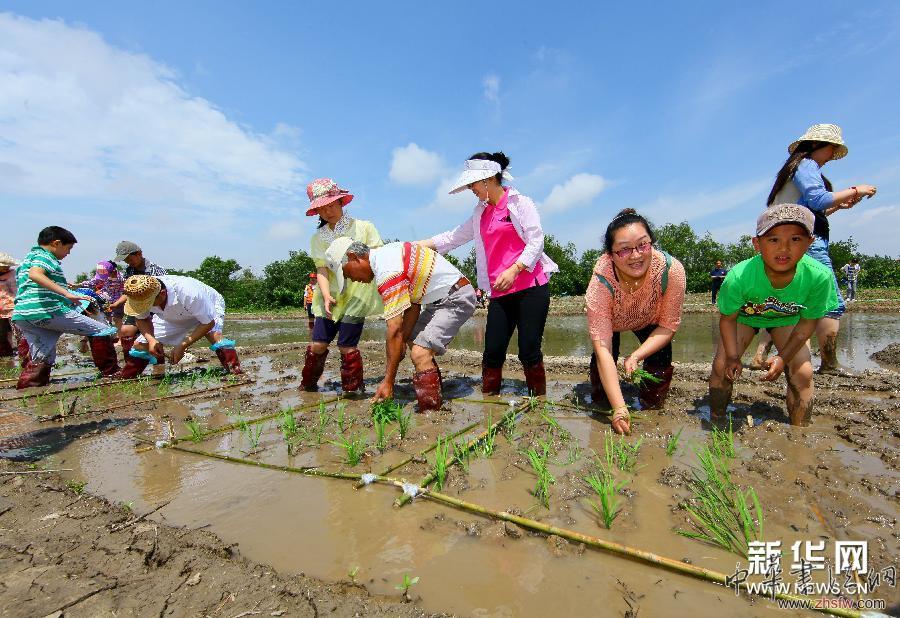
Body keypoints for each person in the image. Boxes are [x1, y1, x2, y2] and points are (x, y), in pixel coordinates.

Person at [417, 152, 557, 396]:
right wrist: (413, 246)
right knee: (492, 352)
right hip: (500, 292)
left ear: (488, 179)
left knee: (529, 350)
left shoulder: (520, 203)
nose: (471, 189)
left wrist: (514, 269)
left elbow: (537, 241)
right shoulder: (479, 213)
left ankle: (539, 402)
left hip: (531, 288)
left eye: (472, 183)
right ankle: (490, 401)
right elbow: (452, 238)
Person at [755, 124, 877, 375]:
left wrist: (838, 205)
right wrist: (857, 190)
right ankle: (829, 363)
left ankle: (760, 357)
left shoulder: (792, 170)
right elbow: (817, 199)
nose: (833, 154)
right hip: (806, 242)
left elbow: (808, 212)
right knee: (829, 300)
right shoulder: (807, 165)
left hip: (782, 240)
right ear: (815, 145)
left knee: (786, 300)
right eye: (832, 147)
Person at [709, 204, 839, 426]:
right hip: (744, 318)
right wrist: (732, 357)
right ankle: (716, 421)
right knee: (722, 367)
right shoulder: (739, 276)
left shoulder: (819, 277)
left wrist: (783, 358)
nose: (784, 248)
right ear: (757, 244)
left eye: (795, 239)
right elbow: (728, 320)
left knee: (803, 372)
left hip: (788, 320)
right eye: (773, 239)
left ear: (809, 242)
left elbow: (808, 323)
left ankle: (800, 431)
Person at [326, 237, 476, 411]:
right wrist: (403, 340)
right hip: (439, 300)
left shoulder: (387, 270)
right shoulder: (387, 255)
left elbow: (394, 329)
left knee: (420, 353)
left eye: (347, 274)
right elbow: (413, 306)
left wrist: (388, 381)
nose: (352, 279)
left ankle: (431, 412)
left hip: (455, 298)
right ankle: (435, 390)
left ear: (353, 257)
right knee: (412, 340)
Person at [585, 209, 686, 435]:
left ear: (652, 243)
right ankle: (603, 403)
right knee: (603, 363)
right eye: (624, 249)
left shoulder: (671, 271)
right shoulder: (600, 283)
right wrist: (620, 409)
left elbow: (668, 326)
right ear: (610, 255)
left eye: (642, 245)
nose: (636, 255)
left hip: (650, 318)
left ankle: (653, 406)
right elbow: (603, 349)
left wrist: (636, 356)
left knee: (660, 360)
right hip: (613, 321)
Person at [300, 178, 383, 393]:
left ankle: (352, 390)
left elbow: (376, 258)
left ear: (340, 202)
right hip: (329, 295)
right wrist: (326, 295)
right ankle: (307, 386)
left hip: (357, 294)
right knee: (318, 344)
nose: (327, 212)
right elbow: (322, 269)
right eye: (321, 209)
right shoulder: (318, 238)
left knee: (347, 345)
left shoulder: (364, 228)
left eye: (330, 205)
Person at [11, 226, 120, 388]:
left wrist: (64, 290)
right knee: (101, 329)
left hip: (23, 314)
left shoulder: (28, 258)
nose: (68, 253)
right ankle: (111, 372)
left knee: (43, 354)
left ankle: (30, 386)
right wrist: (67, 293)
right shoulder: (45, 256)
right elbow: (35, 274)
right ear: (56, 243)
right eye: (69, 248)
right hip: (47, 311)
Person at [115, 274, 243, 378]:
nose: (145, 307)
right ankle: (128, 378)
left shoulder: (190, 294)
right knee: (141, 344)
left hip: (206, 305)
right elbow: (142, 319)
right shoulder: (141, 293)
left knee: (214, 336)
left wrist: (182, 345)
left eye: (148, 304)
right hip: (171, 314)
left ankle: (235, 372)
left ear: (162, 293)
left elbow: (208, 323)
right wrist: (152, 340)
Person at [109, 241, 167, 358]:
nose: (128, 263)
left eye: (130, 259)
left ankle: (158, 362)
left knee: (155, 334)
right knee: (125, 331)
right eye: (126, 261)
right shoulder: (129, 271)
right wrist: (117, 303)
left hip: (155, 304)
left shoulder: (156, 270)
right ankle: (131, 360)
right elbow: (128, 292)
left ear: (139, 254)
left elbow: (164, 293)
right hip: (137, 305)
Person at [75, 260, 125, 330]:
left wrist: (117, 303)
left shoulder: (122, 278)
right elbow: (93, 282)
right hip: (105, 300)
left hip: (117, 302)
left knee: (117, 319)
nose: (104, 277)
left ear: (113, 271)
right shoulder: (104, 277)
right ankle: (108, 331)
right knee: (106, 318)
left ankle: (121, 335)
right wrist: (78, 285)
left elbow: (125, 291)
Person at [0, 252, 19, 358]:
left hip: (12, 307)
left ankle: (23, 353)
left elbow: (16, 290)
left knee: (16, 330)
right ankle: (5, 353)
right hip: (0, 309)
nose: (5, 268)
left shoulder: (12, 274)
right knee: (2, 332)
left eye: (6, 266)